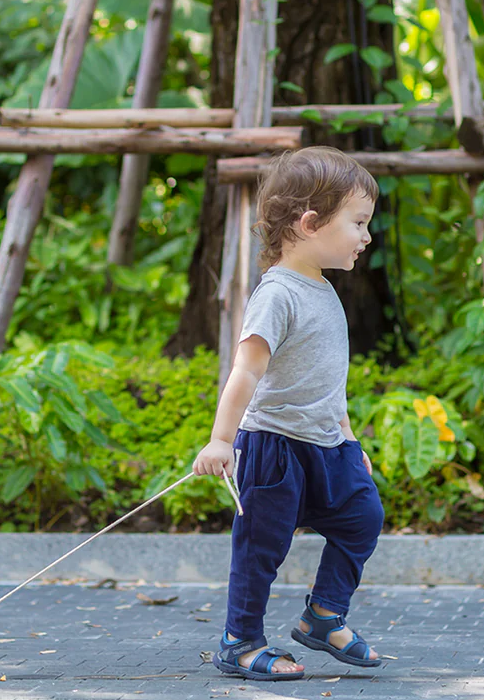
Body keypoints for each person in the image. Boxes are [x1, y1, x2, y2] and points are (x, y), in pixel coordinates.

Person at [193, 146, 385, 681]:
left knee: (364, 516)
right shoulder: (278, 293)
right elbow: (246, 373)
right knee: (262, 548)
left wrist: (350, 442)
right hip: (273, 446)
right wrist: (220, 440)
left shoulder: (324, 289)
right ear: (309, 223)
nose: (366, 236)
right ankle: (241, 641)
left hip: (326, 445)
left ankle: (324, 615)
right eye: (358, 222)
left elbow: (330, 380)